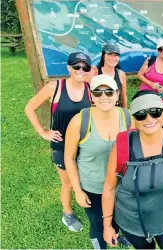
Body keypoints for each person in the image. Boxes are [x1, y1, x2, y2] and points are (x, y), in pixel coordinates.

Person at [102, 90, 163, 249]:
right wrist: (107, 225)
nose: (149, 119)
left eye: (155, 112)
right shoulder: (122, 147)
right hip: (131, 222)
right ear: (134, 119)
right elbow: (109, 187)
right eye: (141, 114)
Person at [25, 52, 93, 232]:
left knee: (86, 180)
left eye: (85, 67)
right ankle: (68, 214)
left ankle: (90, 206)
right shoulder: (54, 87)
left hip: (84, 146)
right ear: (68, 68)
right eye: (76, 66)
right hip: (61, 146)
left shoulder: (90, 89)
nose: (80, 70)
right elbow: (29, 107)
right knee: (68, 183)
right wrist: (43, 132)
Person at [64, 75, 133, 249]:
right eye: (98, 92)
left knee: (119, 217)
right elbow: (69, 158)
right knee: (98, 224)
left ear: (117, 95)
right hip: (93, 187)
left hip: (121, 185)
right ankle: (100, 245)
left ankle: (116, 234)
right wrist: (78, 191)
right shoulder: (79, 121)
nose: (104, 96)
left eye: (109, 91)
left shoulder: (126, 116)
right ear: (92, 96)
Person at [137, 39, 163, 104]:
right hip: (145, 96)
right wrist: (150, 83)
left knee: (159, 114)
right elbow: (139, 75)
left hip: (160, 100)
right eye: (160, 49)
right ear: (157, 50)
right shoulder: (150, 61)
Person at [91, 43, 128, 108]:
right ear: (103, 56)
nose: (113, 58)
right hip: (98, 111)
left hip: (116, 111)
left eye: (116, 55)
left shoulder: (121, 74)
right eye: (110, 54)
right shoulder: (94, 72)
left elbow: (123, 96)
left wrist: (126, 113)